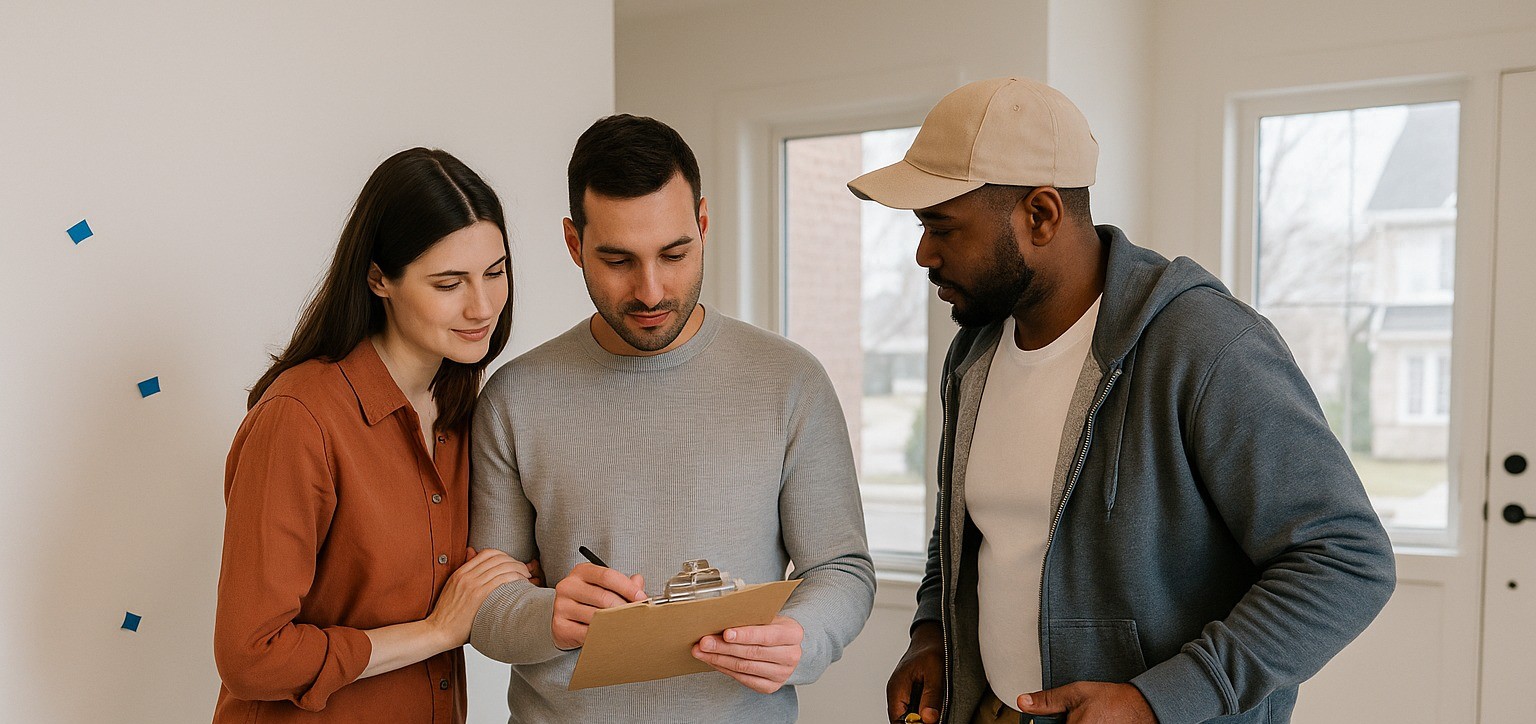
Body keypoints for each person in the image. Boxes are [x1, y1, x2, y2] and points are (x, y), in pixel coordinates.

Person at [848, 78, 1396, 724]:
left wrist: (1159, 700)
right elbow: (966, 520)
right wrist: (932, 629)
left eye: (942, 228)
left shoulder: (1204, 345)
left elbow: (1347, 558)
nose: (922, 254)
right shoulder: (973, 352)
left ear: (1041, 215)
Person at [468, 114, 876, 722]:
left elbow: (841, 568)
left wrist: (800, 637)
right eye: (617, 260)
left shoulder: (791, 382)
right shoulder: (513, 398)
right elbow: (485, 607)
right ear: (573, 244)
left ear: (703, 225)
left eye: (675, 253)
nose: (652, 290)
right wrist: (547, 615)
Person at [214, 148, 536, 723]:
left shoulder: (466, 415)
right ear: (378, 279)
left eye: (495, 272)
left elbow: (479, 577)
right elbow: (251, 656)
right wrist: (437, 631)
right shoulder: (299, 418)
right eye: (448, 283)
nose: (482, 306)